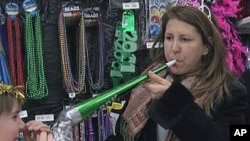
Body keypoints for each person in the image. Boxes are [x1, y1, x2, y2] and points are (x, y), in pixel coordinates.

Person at [106, 5, 248, 141]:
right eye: (169, 38)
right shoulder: (152, 77)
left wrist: (174, 100)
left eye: (185, 39)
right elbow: (122, 136)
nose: (174, 48)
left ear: (206, 46)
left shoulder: (230, 91)